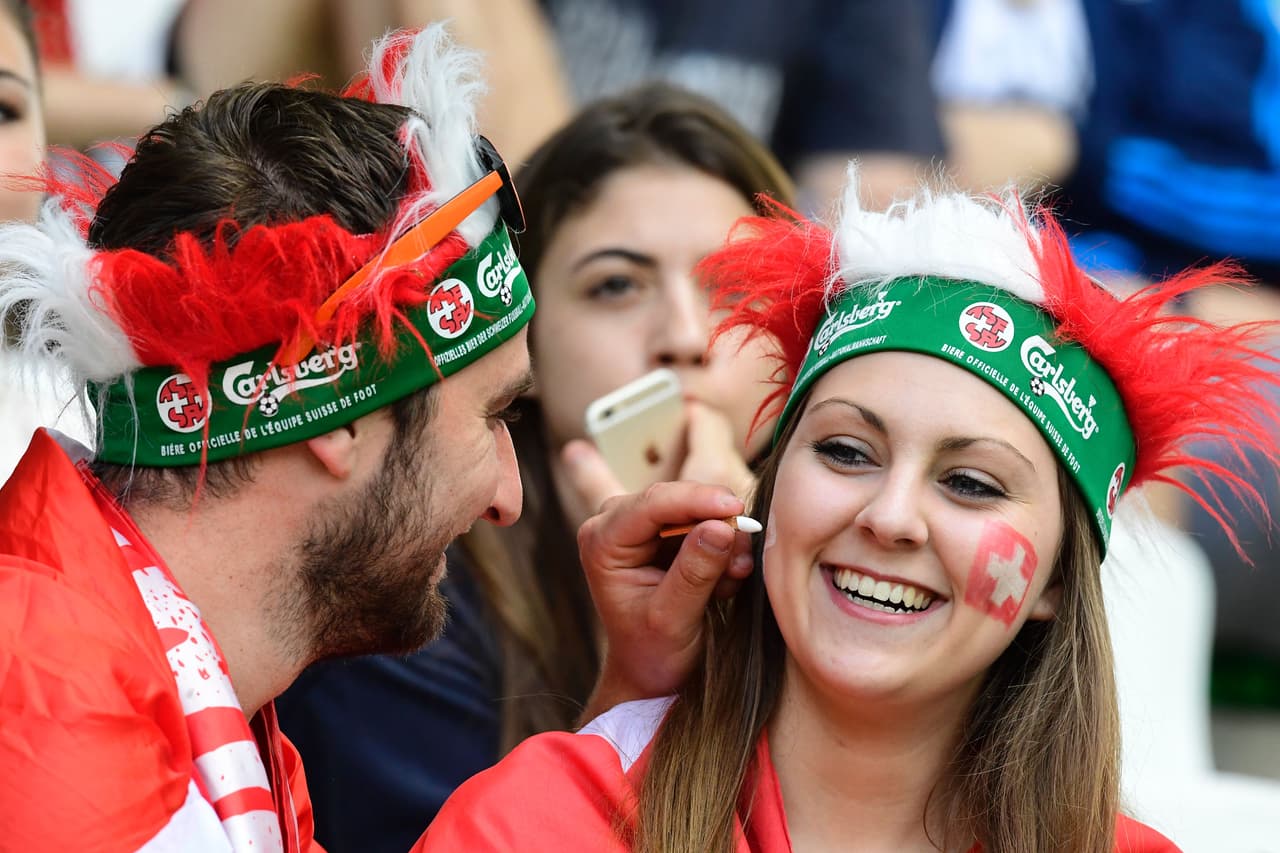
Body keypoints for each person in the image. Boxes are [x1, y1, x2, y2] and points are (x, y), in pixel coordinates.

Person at [0, 26, 753, 851]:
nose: (511, 494)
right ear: (338, 420)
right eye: (496, 417)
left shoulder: (168, 677)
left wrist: (633, 694)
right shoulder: (61, 729)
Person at [418, 170, 1280, 851]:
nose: (891, 515)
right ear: (769, 485)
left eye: (971, 483)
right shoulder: (538, 824)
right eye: (846, 452)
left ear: (1057, 577)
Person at [274, 82, 794, 852]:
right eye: (617, 285)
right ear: (526, 338)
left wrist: (774, 586)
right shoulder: (414, 594)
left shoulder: (844, 563)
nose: (685, 336)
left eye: (735, 287)